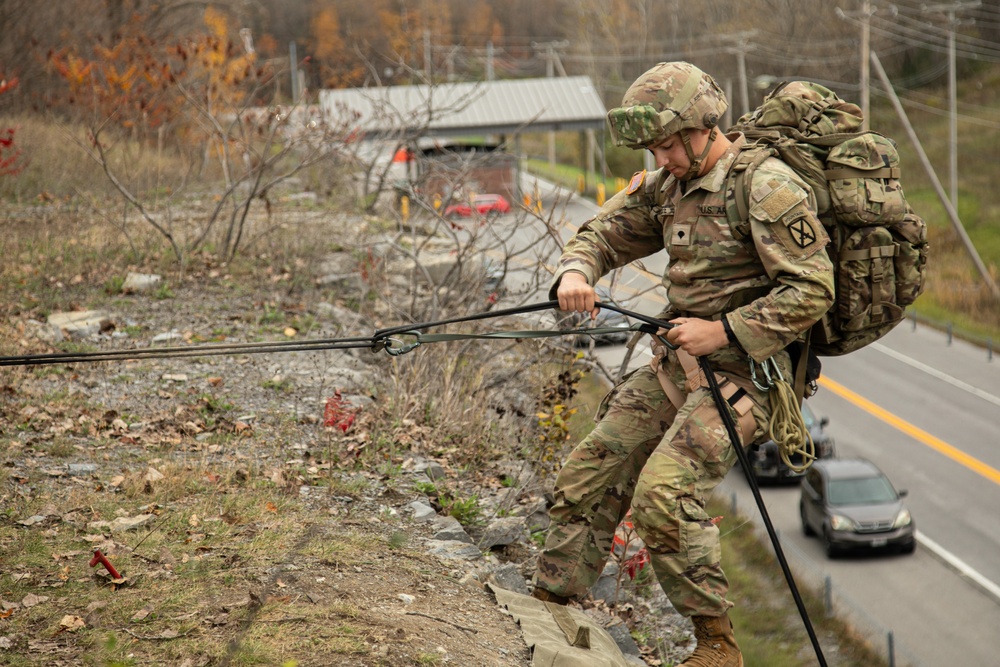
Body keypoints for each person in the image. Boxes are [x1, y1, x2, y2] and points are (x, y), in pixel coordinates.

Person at [531, 62, 835, 666]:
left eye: (668, 144)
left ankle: (717, 645)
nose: (662, 157)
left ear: (702, 127)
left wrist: (723, 328)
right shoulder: (669, 186)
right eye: (654, 147)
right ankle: (553, 599)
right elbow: (604, 232)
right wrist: (575, 272)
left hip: (750, 378)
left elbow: (813, 289)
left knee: (664, 496)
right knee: (590, 470)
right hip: (677, 366)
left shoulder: (766, 188)